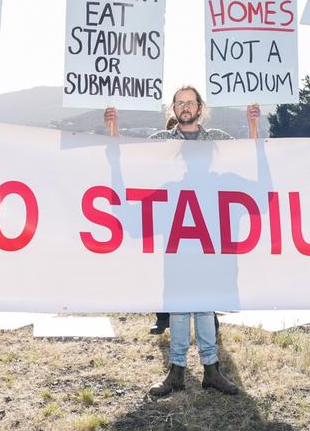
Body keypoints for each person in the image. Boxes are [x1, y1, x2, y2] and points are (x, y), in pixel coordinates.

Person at [104, 86, 257, 398]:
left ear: (200, 107)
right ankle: (176, 371)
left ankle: (212, 369)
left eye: (191, 102)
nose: (185, 107)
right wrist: (113, 129)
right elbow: (132, 162)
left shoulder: (217, 140)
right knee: (177, 304)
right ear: (172, 108)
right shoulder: (162, 143)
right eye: (180, 103)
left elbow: (248, 160)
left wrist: (253, 125)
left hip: (209, 233)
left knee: (204, 303)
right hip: (176, 230)